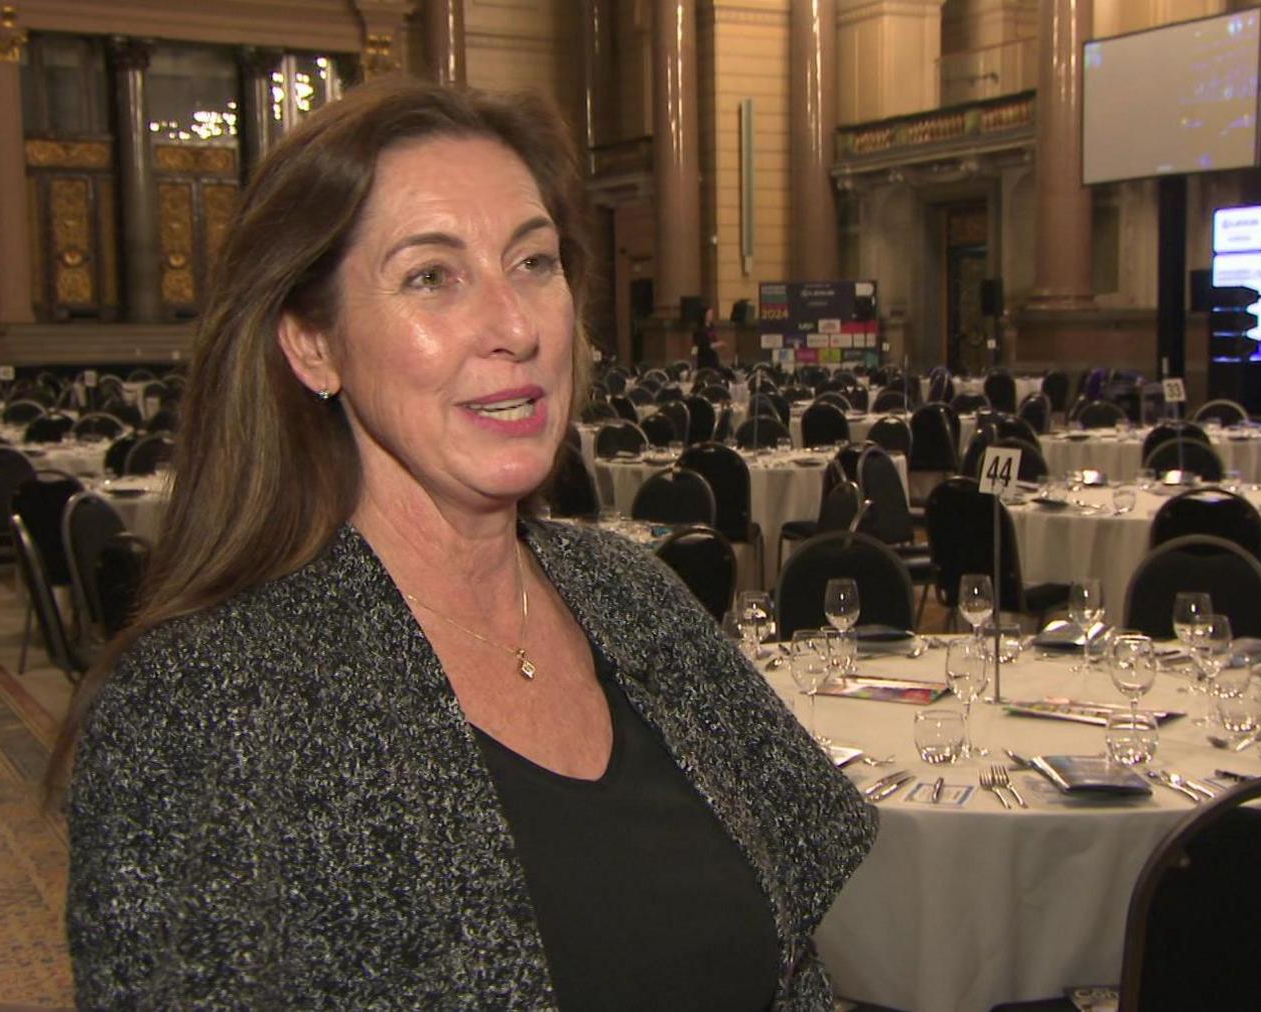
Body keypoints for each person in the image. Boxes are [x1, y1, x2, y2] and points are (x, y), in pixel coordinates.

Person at [58, 77, 875, 1008]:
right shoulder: (199, 706)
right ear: (312, 344)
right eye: (432, 277)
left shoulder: (634, 596)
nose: (518, 328)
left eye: (534, 263)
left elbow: (791, 962)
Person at [693, 304, 722, 370]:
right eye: (709, 314)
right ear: (704, 315)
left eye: (711, 314)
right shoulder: (699, 329)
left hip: (713, 357)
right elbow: (698, 345)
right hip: (704, 358)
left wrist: (717, 345)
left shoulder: (712, 327)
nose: (711, 316)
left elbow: (714, 339)